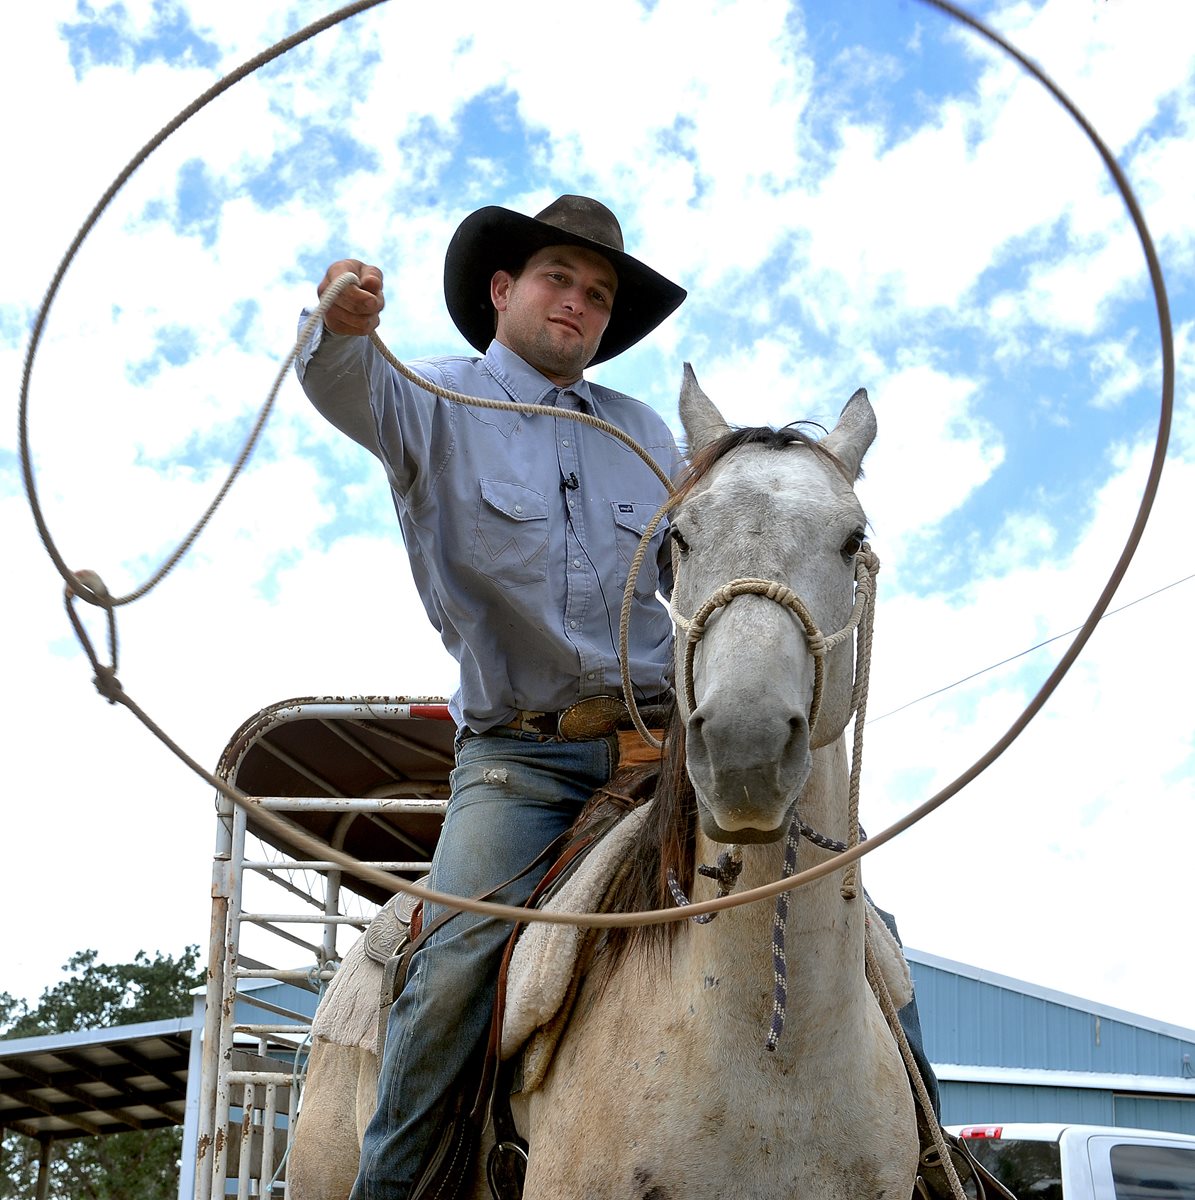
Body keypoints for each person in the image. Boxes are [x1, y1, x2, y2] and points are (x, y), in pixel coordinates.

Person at [296, 195, 688, 1199]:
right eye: (560, 278)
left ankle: (929, 1165)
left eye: (598, 294)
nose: (579, 303)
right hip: (522, 761)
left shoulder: (648, 436)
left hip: (668, 746)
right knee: (457, 961)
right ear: (503, 290)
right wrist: (340, 328)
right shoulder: (435, 401)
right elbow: (348, 386)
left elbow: (716, 563)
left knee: (843, 915)